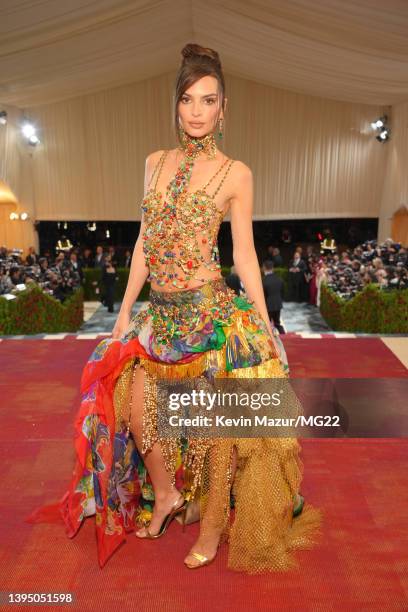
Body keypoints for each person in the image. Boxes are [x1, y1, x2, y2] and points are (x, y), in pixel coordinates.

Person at [26, 43, 322, 573]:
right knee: (139, 413)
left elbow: (246, 256)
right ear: (175, 105)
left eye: (208, 100)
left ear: (224, 107)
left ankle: (210, 525)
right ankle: (166, 496)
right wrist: (122, 317)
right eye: (188, 99)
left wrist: (264, 322)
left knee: (216, 432)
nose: (197, 111)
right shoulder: (153, 163)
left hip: (210, 315)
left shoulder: (236, 173)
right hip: (158, 317)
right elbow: (144, 243)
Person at [262, 260, 285, 334]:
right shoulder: (279, 279)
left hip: (268, 305)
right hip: (278, 304)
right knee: (277, 323)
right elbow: (282, 292)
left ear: (264, 268)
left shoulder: (263, 280)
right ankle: (284, 336)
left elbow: (263, 295)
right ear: (272, 268)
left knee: (266, 325)